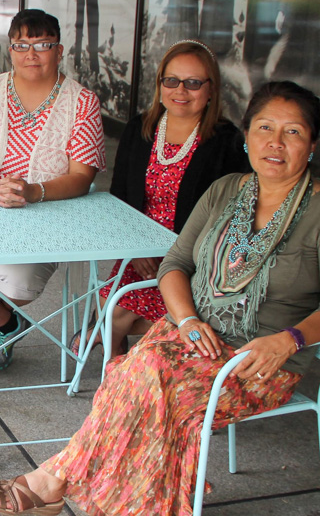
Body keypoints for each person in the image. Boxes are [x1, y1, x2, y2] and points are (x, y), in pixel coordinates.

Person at [0, 81, 320, 516]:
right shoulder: (226, 190)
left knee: (144, 380)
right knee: (142, 375)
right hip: (193, 337)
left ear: (312, 146)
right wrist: (185, 321)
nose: (276, 142)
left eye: (293, 132)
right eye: (265, 128)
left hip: (259, 361)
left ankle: (66, 494)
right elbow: (176, 264)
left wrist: (287, 340)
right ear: (247, 137)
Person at [0, 8, 106, 371]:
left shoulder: (82, 102)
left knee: (16, 285)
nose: (31, 54)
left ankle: (1, 314)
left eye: (42, 44)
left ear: (60, 50)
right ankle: (7, 323)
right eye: (21, 44)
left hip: (47, 211)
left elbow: (82, 176)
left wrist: (34, 192)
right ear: (10, 49)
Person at [70, 39, 249, 358]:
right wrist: (136, 249)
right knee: (115, 302)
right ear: (160, 84)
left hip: (193, 257)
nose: (181, 90)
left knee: (114, 311)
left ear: (211, 90)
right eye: (172, 80)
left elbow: (233, 218)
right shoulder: (141, 127)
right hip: (140, 248)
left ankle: (111, 359)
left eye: (193, 83)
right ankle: (116, 358)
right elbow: (120, 197)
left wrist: (179, 257)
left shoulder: (227, 141)